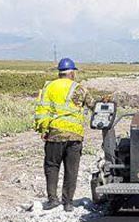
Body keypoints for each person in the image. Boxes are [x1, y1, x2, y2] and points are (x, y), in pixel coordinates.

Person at [34, 58, 104, 212]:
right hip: (74, 136)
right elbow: (94, 106)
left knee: (52, 167)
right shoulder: (79, 89)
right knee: (71, 170)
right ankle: (68, 203)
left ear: (60, 73)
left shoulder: (48, 87)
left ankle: (52, 200)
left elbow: (41, 110)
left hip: (54, 134)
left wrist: (43, 130)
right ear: (72, 73)